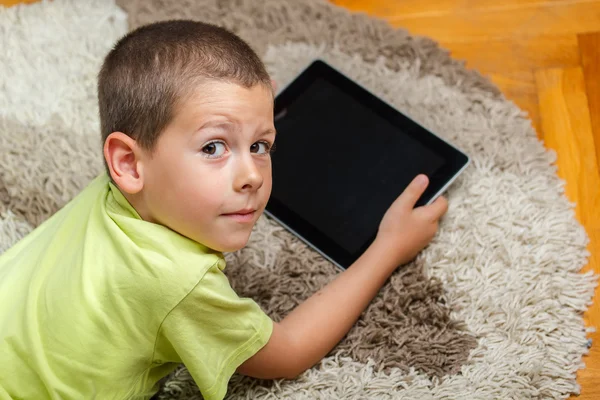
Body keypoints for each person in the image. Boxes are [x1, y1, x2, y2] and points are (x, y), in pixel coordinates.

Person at [0, 20, 448, 400]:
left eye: (260, 145)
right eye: (214, 146)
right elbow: (287, 353)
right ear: (129, 163)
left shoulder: (121, 187)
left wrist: (235, 121)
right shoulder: (178, 281)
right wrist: (387, 248)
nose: (251, 174)